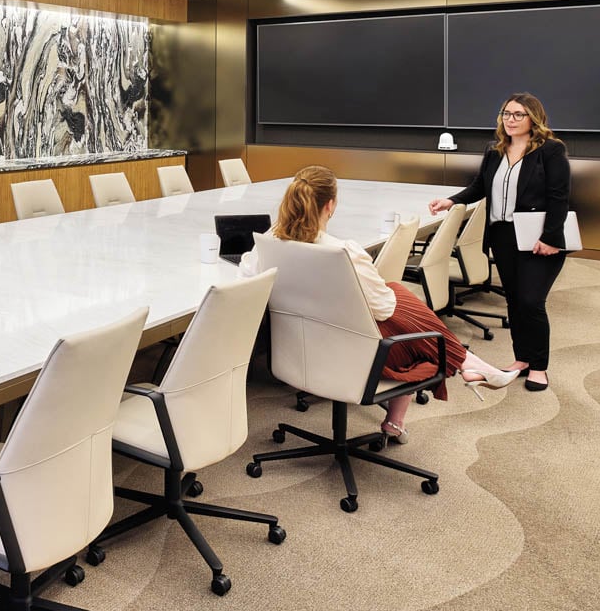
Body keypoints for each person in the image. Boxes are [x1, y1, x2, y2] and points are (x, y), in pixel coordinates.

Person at [244, 165, 517, 444]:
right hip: (350, 355)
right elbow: (384, 308)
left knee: (398, 308)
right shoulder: (343, 252)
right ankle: (464, 364)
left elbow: (249, 273)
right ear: (331, 205)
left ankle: (439, 385)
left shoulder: (268, 243)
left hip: (293, 350)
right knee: (400, 309)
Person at [429, 92, 570, 393]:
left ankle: (540, 367)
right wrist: (451, 200)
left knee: (532, 301)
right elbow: (480, 186)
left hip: (539, 236)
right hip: (503, 235)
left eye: (518, 114)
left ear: (534, 118)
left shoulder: (551, 150)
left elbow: (559, 196)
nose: (510, 119)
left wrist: (551, 238)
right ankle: (523, 360)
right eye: (506, 113)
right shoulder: (495, 150)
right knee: (515, 300)